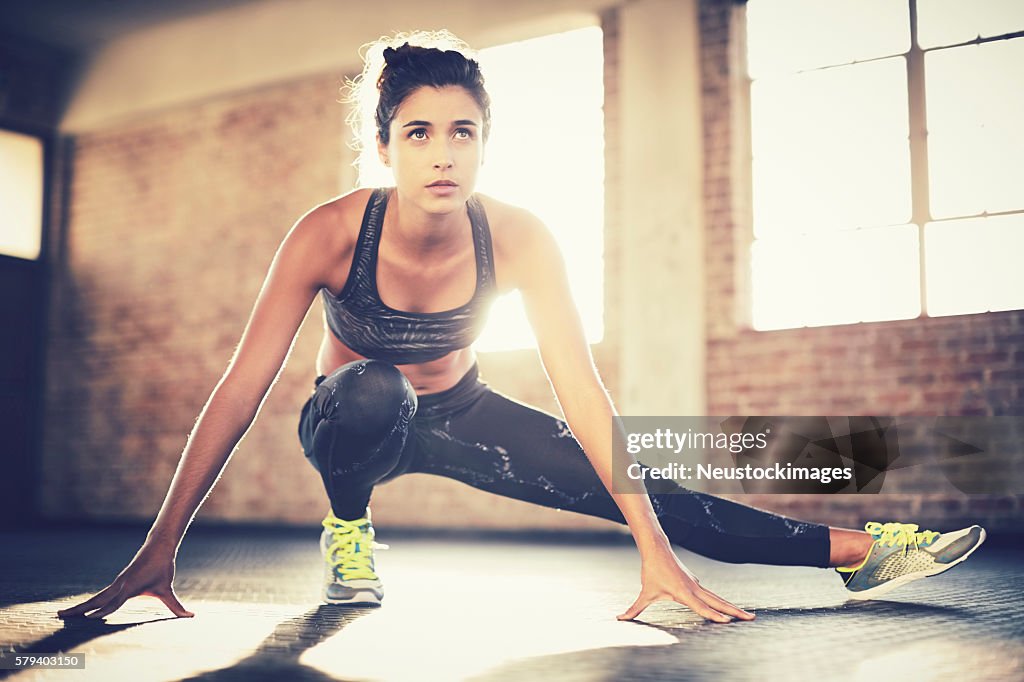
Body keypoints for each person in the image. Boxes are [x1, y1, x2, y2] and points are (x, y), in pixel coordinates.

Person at [57, 31, 986, 624]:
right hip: (349, 419)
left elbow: (582, 390)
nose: (442, 153)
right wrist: (159, 545)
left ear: (486, 142)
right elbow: (241, 388)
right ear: (382, 146)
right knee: (369, 388)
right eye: (418, 133)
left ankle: (865, 552)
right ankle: (350, 530)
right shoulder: (331, 232)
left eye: (463, 132)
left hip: (463, 412)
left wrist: (651, 547)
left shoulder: (522, 236)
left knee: (660, 494)